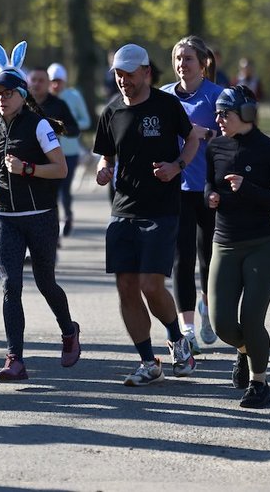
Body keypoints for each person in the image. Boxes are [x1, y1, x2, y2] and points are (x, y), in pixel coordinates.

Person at [93, 43, 199, 386]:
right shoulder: (111, 112)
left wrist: (177, 166)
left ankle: (178, 341)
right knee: (126, 286)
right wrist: (104, 170)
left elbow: (193, 139)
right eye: (118, 75)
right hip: (123, 207)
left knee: (150, 284)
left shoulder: (167, 105)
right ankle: (148, 363)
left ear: (146, 72)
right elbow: (105, 156)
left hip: (162, 207)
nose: (123, 81)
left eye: (129, 74)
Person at [0, 41, 81, 381]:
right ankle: (14, 358)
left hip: (40, 217)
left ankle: (68, 330)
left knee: (45, 281)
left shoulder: (40, 126)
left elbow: (60, 169)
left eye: (7, 93)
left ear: (21, 93)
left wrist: (28, 169)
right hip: (5, 216)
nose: (1, 98)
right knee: (10, 286)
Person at [206, 86, 270, 408]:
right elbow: (207, 184)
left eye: (224, 114)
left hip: (262, 245)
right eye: (217, 113)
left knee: (252, 318)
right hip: (224, 244)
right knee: (221, 324)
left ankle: (260, 383)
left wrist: (250, 189)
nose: (218, 119)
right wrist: (209, 197)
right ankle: (245, 351)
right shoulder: (215, 147)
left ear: (245, 115)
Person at [160, 36, 223, 352]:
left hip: (211, 190)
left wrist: (205, 133)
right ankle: (187, 329)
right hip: (177, 188)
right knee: (181, 258)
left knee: (209, 259)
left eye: (188, 59)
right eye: (178, 58)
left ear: (203, 63)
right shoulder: (164, 97)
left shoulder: (216, 97)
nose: (182, 64)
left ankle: (208, 310)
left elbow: (232, 139)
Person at [26, 65, 80, 237]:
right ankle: (28, 245)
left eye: (41, 80)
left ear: (48, 83)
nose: (36, 84)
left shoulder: (59, 105)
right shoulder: (21, 103)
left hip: (51, 162)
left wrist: (57, 129)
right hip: (25, 162)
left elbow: (75, 129)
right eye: (33, 80)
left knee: (50, 202)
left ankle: (51, 242)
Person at [47, 63, 91, 237]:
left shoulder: (73, 96)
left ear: (65, 81)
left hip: (70, 151)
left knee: (65, 188)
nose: (56, 85)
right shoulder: (44, 99)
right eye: (53, 81)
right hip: (49, 152)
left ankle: (68, 216)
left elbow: (86, 120)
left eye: (59, 81)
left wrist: (64, 127)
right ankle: (53, 222)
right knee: (51, 190)